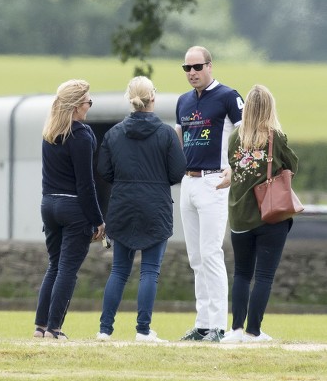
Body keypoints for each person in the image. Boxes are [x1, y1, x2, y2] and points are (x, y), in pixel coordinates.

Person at [96, 76, 186, 342]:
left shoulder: (113, 133)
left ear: (129, 99)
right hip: (155, 205)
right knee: (149, 271)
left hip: (122, 205)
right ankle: (143, 330)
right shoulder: (167, 134)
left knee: (119, 271)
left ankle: (104, 329)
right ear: (153, 98)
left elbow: (104, 170)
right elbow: (177, 171)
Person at [175, 46, 244, 342]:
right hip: (189, 181)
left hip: (214, 180)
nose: (192, 73)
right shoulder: (183, 101)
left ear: (210, 66)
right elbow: (179, 139)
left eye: (197, 67)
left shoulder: (229, 96)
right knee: (195, 257)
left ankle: (217, 325)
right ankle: (202, 323)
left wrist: (235, 167)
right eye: (187, 68)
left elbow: (246, 133)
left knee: (211, 253)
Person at [221, 84, 298, 343]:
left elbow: (233, 166)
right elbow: (292, 165)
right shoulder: (275, 137)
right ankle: (254, 331)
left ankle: (235, 330)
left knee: (241, 273)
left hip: (240, 216)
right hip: (270, 215)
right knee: (264, 275)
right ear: (269, 108)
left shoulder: (235, 137)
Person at [33, 79, 105, 340]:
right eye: (88, 101)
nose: (89, 105)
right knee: (67, 270)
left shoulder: (49, 132)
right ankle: (54, 328)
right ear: (76, 106)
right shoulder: (82, 136)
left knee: (53, 266)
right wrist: (98, 220)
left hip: (48, 204)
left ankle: (40, 327)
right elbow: (86, 184)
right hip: (72, 207)